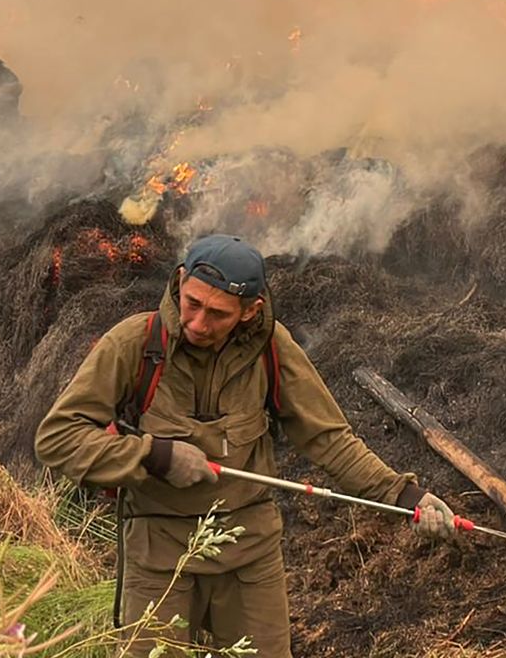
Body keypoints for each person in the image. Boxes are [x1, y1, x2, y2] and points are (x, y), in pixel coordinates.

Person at [35, 234, 457, 656]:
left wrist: (405, 495)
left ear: (250, 311)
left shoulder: (271, 350)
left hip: (249, 555)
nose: (198, 324)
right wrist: (152, 456)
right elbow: (57, 438)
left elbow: (329, 440)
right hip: (157, 556)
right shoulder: (133, 344)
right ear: (180, 281)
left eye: (217, 313)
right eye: (191, 303)